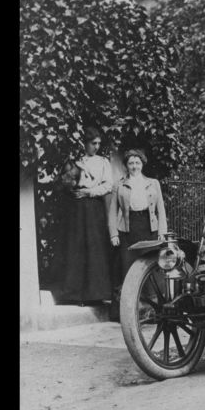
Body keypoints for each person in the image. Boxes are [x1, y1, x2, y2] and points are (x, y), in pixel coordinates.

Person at [50, 126, 116, 306]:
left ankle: (94, 294)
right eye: (93, 143)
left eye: (98, 143)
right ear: (85, 143)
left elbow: (108, 185)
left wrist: (89, 193)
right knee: (76, 247)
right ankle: (73, 294)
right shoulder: (76, 161)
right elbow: (65, 181)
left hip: (93, 208)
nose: (96, 147)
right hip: (75, 208)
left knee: (94, 247)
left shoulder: (103, 162)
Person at [108, 149, 168, 285]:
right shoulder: (119, 185)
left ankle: (151, 302)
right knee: (128, 267)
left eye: (137, 163)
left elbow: (161, 210)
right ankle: (131, 302)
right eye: (131, 163)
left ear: (142, 164)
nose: (134, 166)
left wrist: (162, 231)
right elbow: (112, 212)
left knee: (150, 265)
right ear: (126, 165)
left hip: (149, 227)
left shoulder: (153, 183)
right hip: (128, 229)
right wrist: (114, 234)